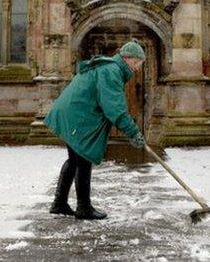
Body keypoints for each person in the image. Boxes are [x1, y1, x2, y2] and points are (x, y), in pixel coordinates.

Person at [43, 39, 147, 220]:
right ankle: (83, 208)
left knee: (75, 159)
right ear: (128, 58)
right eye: (137, 63)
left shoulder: (111, 68)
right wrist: (133, 133)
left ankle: (59, 203)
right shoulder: (111, 71)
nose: (138, 68)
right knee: (83, 158)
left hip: (72, 112)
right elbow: (115, 109)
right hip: (76, 115)